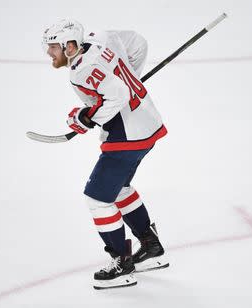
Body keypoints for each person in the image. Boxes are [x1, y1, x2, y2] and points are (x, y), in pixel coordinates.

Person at [42, 19, 169, 290]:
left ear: (71, 46)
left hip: (127, 137)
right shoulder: (101, 39)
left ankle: (121, 264)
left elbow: (118, 94)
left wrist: (86, 119)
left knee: (97, 197)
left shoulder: (81, 70)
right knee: (120, 188)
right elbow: (136, 42)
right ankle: (151, 246)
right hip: (148, 124)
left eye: (54, 47)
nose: (49, 53)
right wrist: (128, 75)